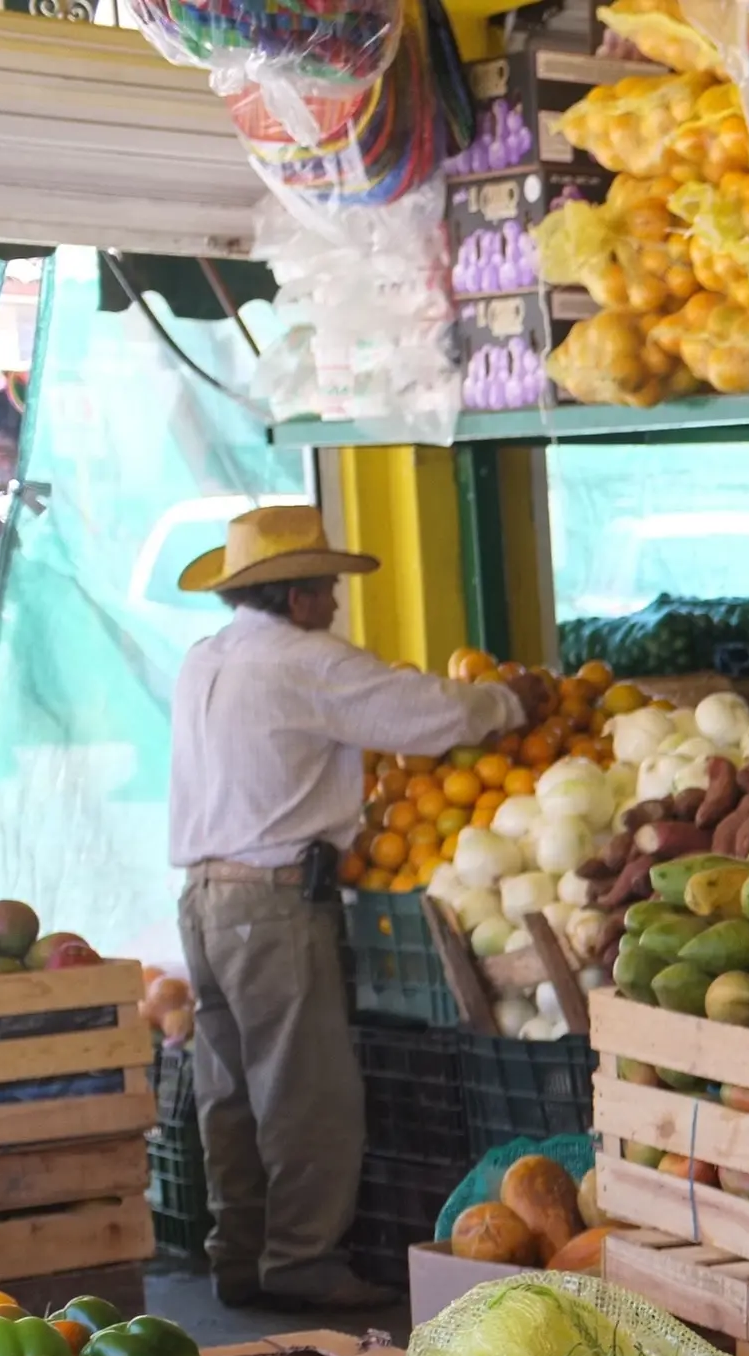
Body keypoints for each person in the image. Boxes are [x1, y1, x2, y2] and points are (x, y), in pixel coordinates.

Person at [163, 503, 553, 1312]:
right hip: (272, 906)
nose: (336, 603)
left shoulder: (206, 658)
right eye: (328, 589)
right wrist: (510, 701)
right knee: (306, 1094)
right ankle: (301, 1261)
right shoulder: (304, 661)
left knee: (229, 1091)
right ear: (298, 598)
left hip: (202, 901)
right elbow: (426, 714)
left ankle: (236, 1255)